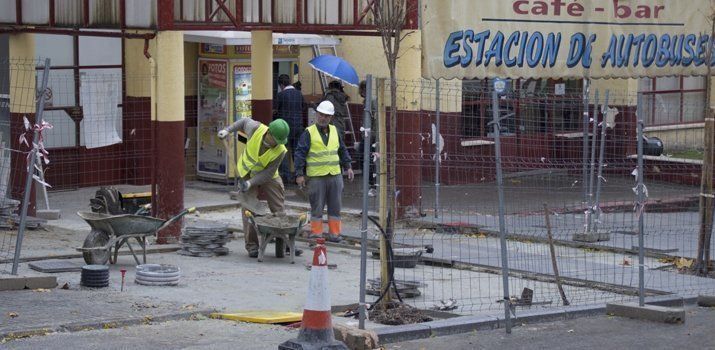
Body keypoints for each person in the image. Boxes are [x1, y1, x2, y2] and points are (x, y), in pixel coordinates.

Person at [217, 118, 301, 258]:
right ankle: (252, 246)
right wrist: (228, 130)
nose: (278, 144)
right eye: (276, 140)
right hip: (247, 171)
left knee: (278, 207)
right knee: (249, 209)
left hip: (268, 175)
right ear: (269, 133)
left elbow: (267, 173)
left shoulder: (281, 150)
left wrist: (250, 183)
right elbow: (243, 122)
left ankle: (286, 243)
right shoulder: (255, 128)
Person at [294, 101, 354, 242]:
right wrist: (299, 174)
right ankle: (316, 234)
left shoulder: (335, 131)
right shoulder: (308, 133)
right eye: (321, 115)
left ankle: (335, 234)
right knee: (317, 207)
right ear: (317, 114)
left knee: (335, 207)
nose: (323, 118)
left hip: (335, 175)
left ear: (331, 117)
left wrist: (348, 166)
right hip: (316, 177)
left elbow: (342, 150)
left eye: (327, 116)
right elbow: (300, 153)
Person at [274, 74, 306, 184]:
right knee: (297, 151)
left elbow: (275, 110)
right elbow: (303, 107)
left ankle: (286, 175)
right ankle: (298, 174)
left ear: (281, 85)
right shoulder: (299, 94)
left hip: (285, 127)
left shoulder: (280, 95)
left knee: (282, 150)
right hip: (298, 126)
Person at [357, 80, 378, 197]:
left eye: (361, 90)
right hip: (367, 135)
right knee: (364, 160)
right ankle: (369, 185)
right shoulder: (367, 102)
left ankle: (372, 186)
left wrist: (372, 134)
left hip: (371, 136)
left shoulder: (372, 102)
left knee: (369, 161)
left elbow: (375, 119)